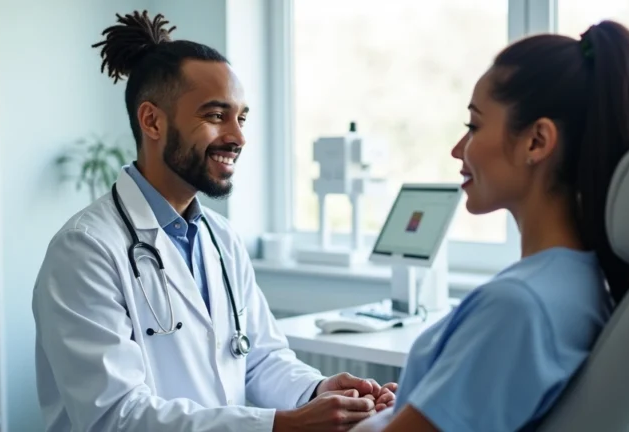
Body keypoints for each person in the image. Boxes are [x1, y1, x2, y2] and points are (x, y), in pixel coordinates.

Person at [32, 10, 396, 432]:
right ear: (152, 121)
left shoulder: (220, 239)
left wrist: (318, 392)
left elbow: (260, 358)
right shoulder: (85, 250)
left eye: (241, 117)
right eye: (216, 115)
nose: (238, 137)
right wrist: (284, 425)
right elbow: (116, 417)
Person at [350, 20, 629, 432]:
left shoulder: (517, 307)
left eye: (474, 126)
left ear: (536, 141)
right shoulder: (580, 283)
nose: (457, 150)